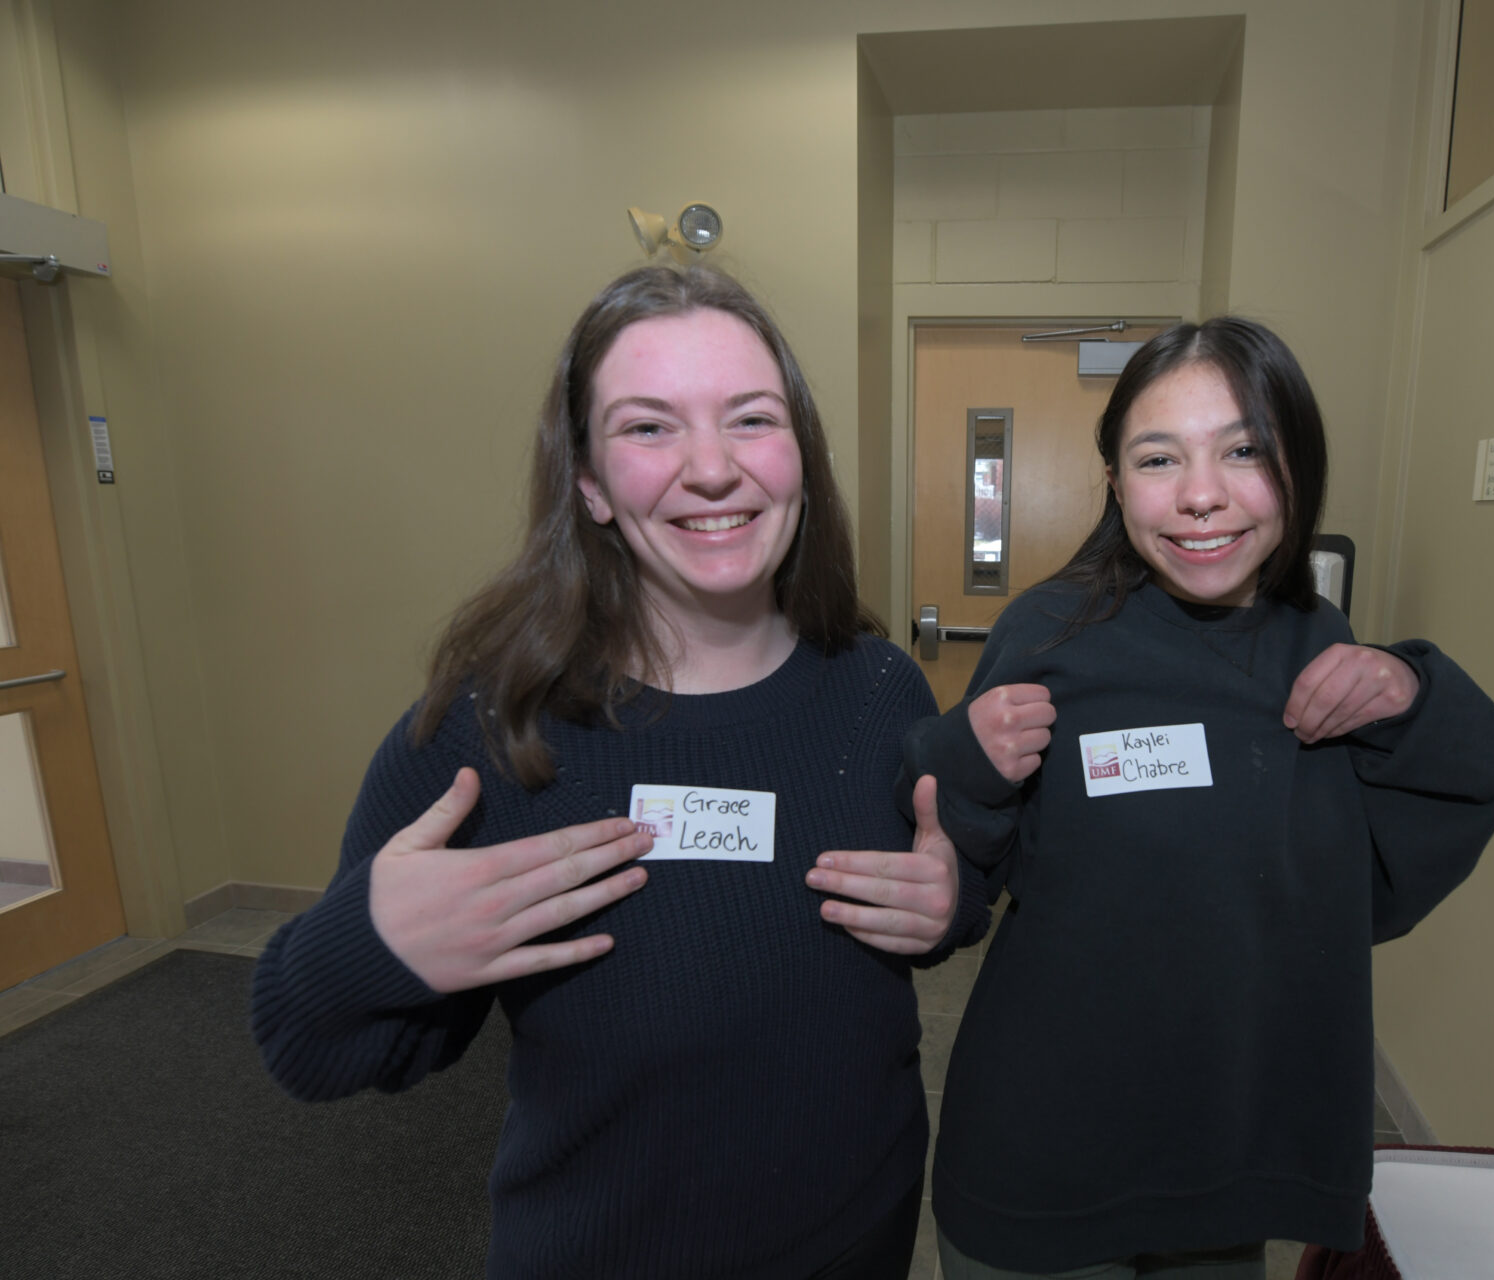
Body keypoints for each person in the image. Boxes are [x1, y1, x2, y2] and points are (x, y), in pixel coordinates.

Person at [252, 264, 991, 1279]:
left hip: (862, 1243)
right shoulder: (496, 728)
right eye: (648, 427)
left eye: (751, 419)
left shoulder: (880, 690)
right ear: (590, 482)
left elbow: (931, 900)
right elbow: (306, 1048)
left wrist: (951, 904)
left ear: (801, 457)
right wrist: (370, 942)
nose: (712, 468)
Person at [901, 318, 1494, 1279]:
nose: (1199, 495)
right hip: (1043, 1147)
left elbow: (1384, 878)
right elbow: (962, 873)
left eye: (1244, 450)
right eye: (1158, 458)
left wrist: (1412, 693)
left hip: (1227, 1158)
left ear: (1297, 466)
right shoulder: (1049, 633)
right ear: (1115, 483)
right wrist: (962, 766)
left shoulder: (1323, 645)